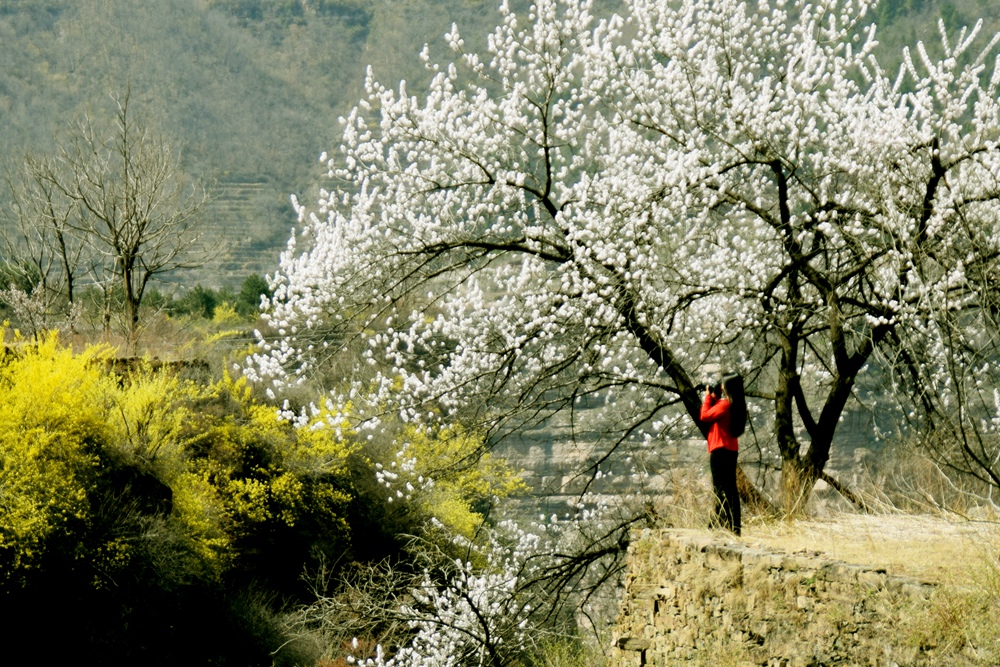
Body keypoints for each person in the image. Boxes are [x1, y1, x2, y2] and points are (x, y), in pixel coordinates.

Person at [700, 374, 746, 535]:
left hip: (719, 450)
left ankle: (718, 523)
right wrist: (715, 397)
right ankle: (735, 527)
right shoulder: (735, 404)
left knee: (719, 488)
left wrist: (707, 397)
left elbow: (705, 416)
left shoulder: (725, 404)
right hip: (731, 449)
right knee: (731, 489)